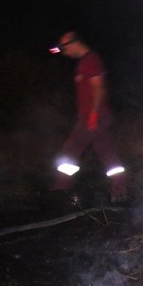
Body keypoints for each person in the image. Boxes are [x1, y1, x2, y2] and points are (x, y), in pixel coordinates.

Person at [50, 31, 127, 203]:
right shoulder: (83, 63)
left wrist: (93, 115)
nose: (63, 51)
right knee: (107, 154)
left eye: (64, 47)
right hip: (95, 117)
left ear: (75, 43)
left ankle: (60, 192)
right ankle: (120, 191)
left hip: (93, 118)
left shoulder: (90, 61)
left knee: (70, 151)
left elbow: (98, 88)